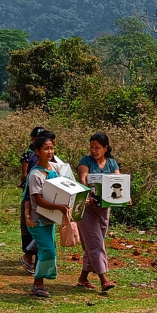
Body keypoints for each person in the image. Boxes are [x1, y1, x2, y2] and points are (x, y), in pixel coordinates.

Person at [26, 131, 76, 298]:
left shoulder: (56, 168)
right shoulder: (35, 175)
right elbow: (38, 200)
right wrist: (60, 207)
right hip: (37, 220)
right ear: (37, 151)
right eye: (46, 149)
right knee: (48, 250)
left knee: (45, 249)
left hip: (49, 219)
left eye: (52, 148)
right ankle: (37, 283)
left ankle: (38, 283)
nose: (50, 152)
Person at [74, 132, 118, 293]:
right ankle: (104, 279)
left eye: (97, 147)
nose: (93, 150)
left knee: (93, 244)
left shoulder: (112, 164)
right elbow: (83, 179)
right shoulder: (85, 162)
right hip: (87, 209)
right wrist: (90, 194)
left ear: (105, 148)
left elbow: (118, 182)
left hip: (103, 211)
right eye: (91, 147)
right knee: (96, 244)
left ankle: (83, 278)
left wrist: (125, 197)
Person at [17, 126, 45, 274]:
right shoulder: (32, 157)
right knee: (33, 227)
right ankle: (29, 258)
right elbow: (26, 175)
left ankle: (34, 262)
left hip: (35, 195)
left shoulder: (37, 156)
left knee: (35, 228)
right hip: (32, 196)